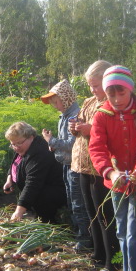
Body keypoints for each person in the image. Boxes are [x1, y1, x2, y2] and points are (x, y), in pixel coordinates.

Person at [89, 66, 136, 271]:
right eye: (112, 94)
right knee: (121, 229)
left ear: (130, 90)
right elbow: (97, 148)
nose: (117, 99)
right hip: (116, 182)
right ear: (105, 92)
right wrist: (110, 172)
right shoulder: (102, 115)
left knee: (134, 230)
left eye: (122, 93)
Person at [69, 60, 120, 271]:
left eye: (96, 85)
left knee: (105, 215)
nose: (93, 90)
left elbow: (114, 134)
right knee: (91, 213)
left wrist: (90, 129)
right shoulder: (89, 102)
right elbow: (79, 126)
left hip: (101, 168)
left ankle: (111, 262)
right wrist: (74, 127)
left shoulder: (113, 104)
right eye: (90, 85)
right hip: (82, 165)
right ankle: (98, 255)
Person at [40, 79, 91, 251]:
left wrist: (51, 140)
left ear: (67, 98)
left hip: (76, 166)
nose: (55, 105)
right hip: (66, 164)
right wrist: (53, 144)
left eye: (56, 101)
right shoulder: (64, 115)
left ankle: (85, 240)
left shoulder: (74, 115)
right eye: (53, 103)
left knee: (78, 203)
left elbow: (71, 144)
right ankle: (78, 235)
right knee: (71, 200)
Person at [3, 121, 66, 223]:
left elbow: (33, 183)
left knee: (43, 205)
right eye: (13, 144)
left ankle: (52, 225)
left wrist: (19, 212)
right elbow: (16, 163)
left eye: (19, 143)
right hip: (39, 192)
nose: (16, 147)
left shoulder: (39, 152)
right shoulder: (24, 149)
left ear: (31, 137)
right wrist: (9, 178)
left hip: (53, 193)